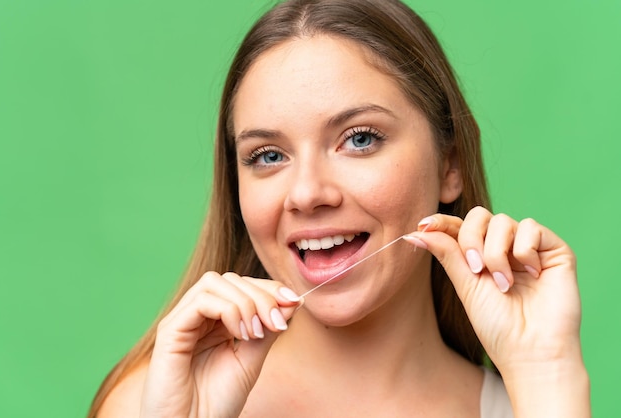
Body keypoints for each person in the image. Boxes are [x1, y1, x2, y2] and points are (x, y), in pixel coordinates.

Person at [89, 0, 591, 416]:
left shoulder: (534, 404)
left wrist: (547, 371)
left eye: (360, 139)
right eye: (268, 155)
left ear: (449, 163)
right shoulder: (155, 402)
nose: (307, 193)